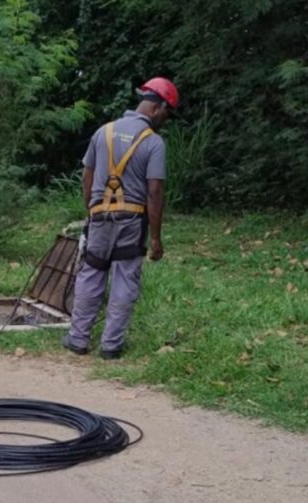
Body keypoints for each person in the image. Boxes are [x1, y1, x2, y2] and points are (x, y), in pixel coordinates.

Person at [63, 77, 178, 360]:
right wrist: (155, 238)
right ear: (159, 107)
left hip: (100, 216)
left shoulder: (104, 131)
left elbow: (87, 177)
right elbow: (154, 191)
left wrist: (92, 211)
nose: (166, 119)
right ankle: (111, 346)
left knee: (91, 273)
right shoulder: (154, 143)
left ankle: (78, 339)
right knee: (125, 279)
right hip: (132, 221)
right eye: (167, 113)